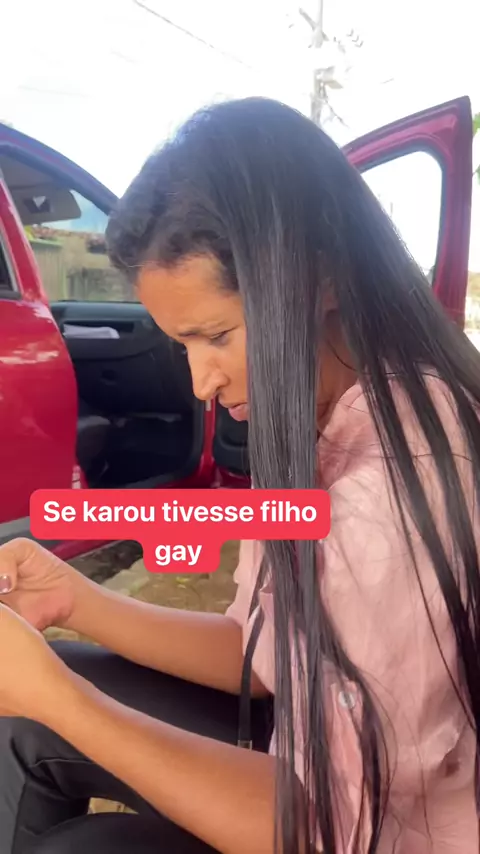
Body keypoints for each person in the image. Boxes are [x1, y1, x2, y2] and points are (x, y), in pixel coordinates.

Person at [0, 96, 478, 854]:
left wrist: (63, 700)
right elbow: (260, 654)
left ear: (319, 275)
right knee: (27, 718)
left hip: (382, 832)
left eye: (216, 335)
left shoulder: (390, 493)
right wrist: (72, 599)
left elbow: (322, 830)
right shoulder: (320, 427)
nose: (201, 383)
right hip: (311, 753)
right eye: (183, 345)